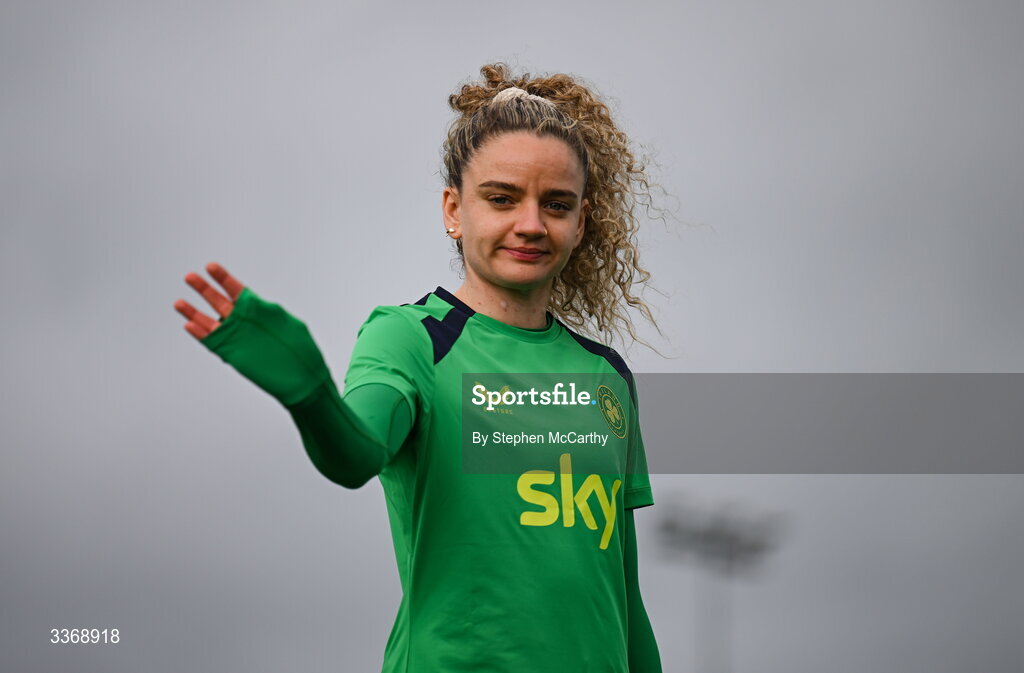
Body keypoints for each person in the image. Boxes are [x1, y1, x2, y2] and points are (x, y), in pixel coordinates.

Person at [173, 63, 664, 672]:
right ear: (454, 210)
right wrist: (309, 394)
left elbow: (625, 595)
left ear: (581, 221)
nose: (531, 224)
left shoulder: (606, 376)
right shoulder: (409, 339)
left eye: (556, 204)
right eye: (502, 198)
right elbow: (355, 455)